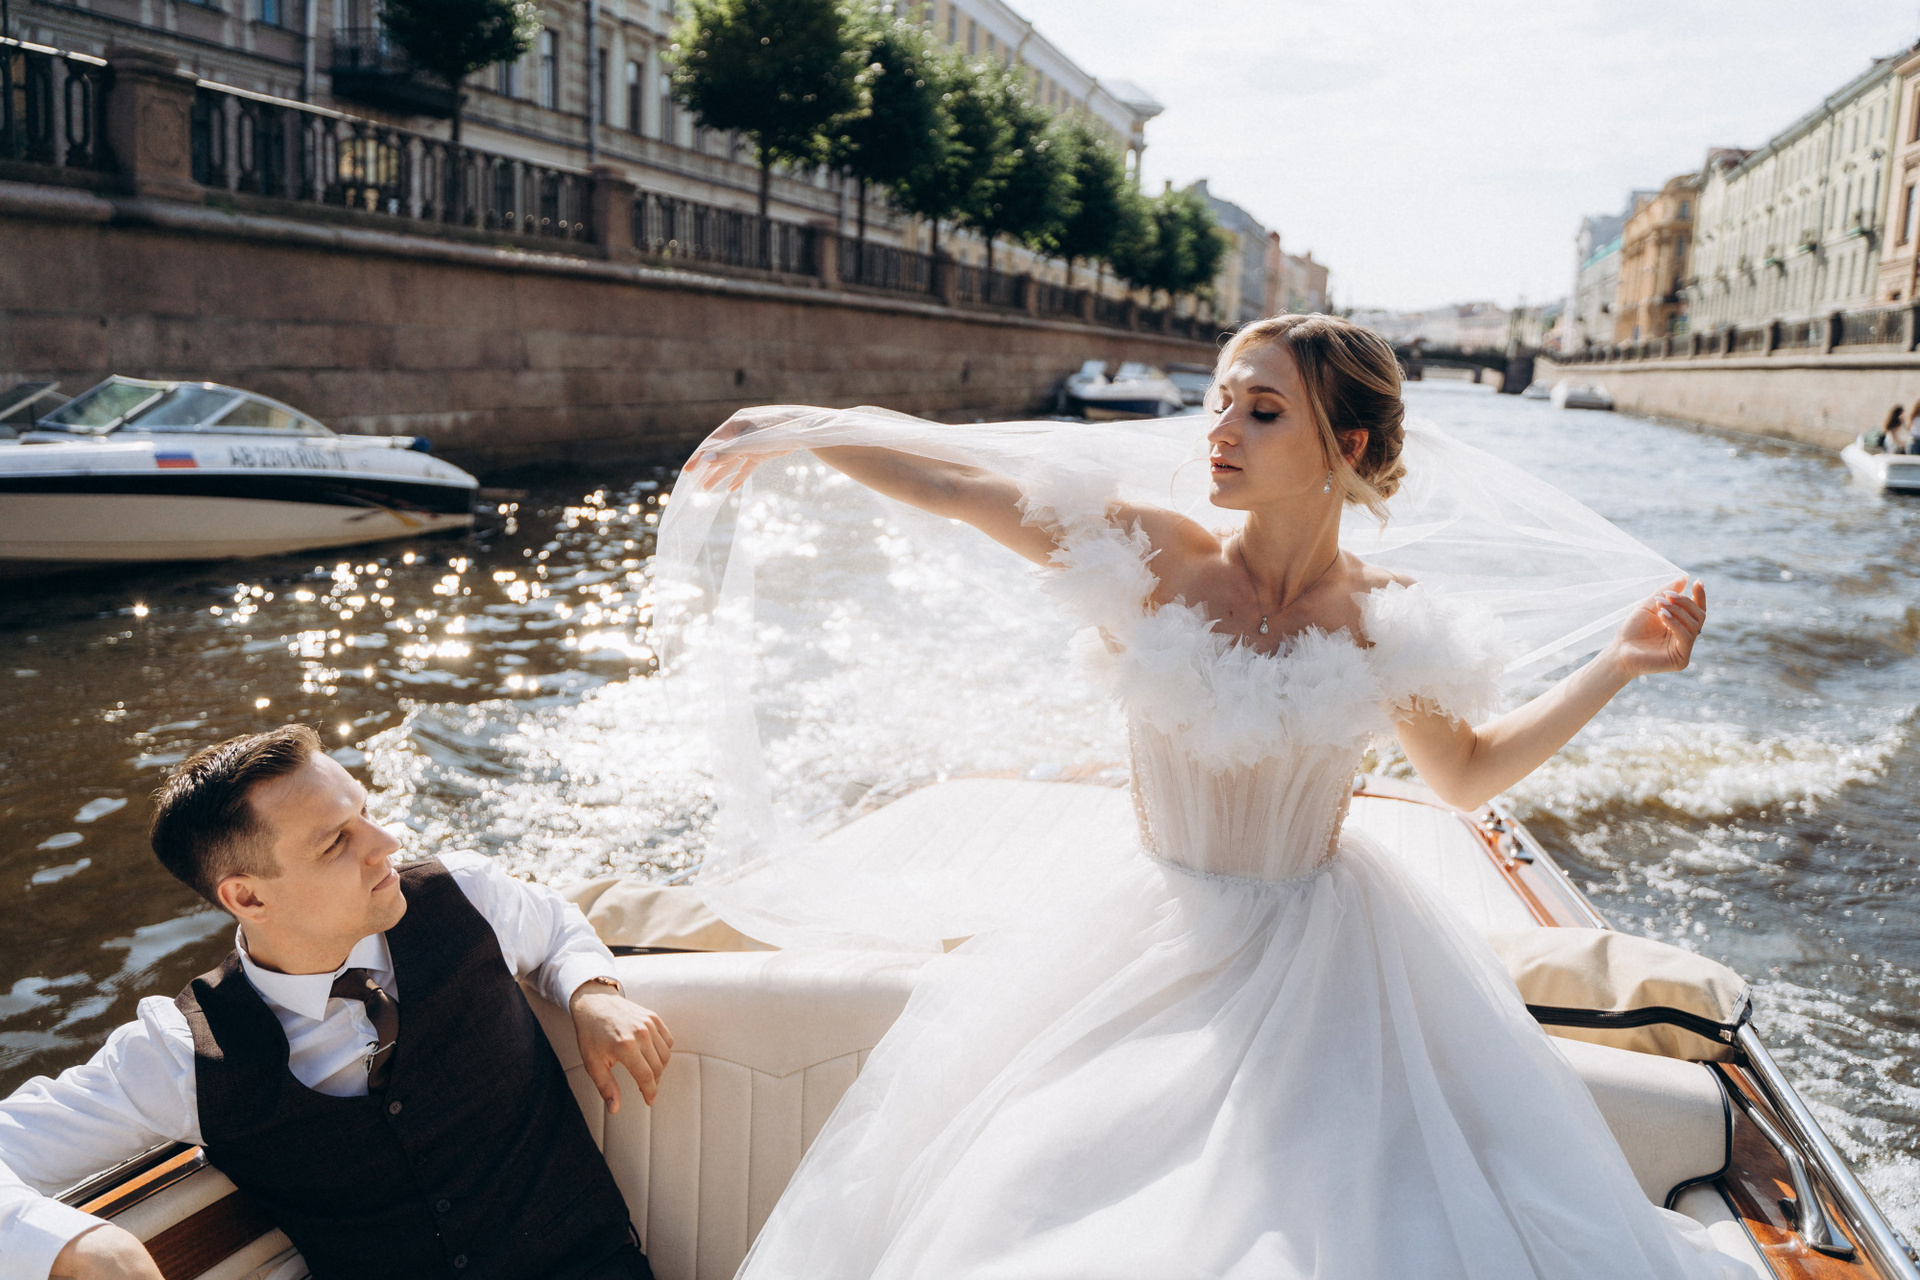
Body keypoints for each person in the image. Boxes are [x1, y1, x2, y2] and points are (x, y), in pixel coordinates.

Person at [661, 313, 1753, 1279]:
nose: (1220, 431)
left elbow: (1465, 772)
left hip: (1327, 966)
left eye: (1261, 411)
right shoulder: (1153, 556)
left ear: (1347, 447)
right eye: (1221, 402)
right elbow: (951, 488)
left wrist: (1618, 663)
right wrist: (795, 426)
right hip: (1144, 933)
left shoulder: (1389, 615)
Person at [0, 726, 673, 1280]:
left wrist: (593, 993)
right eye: (336, 841)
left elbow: (556, 928)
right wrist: (77, 1247)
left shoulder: (468, 898)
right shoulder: (181, 1055)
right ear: (247, 896)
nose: (386, 844)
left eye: (365, 813)